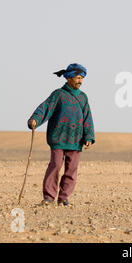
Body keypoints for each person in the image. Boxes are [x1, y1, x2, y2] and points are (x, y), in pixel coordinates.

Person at [27, 63, 95, 206]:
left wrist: (89, 136)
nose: (80, 81)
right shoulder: (58, 94)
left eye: (82, 78)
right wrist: (35, 120)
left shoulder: (83, 98)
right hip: (58, 137)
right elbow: (45, 108)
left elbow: (87, 117)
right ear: (69, 78)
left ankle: (64, 197)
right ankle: (48, 198)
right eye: (77, 77)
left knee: (71, 170)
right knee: (56, 165)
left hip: (76, 139)